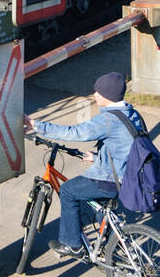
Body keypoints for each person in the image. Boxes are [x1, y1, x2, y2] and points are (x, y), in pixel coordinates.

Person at [24, 72, 145, 259]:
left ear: (109, 96)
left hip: (110, 179)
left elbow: (74, 133)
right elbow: (126, 148)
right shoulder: (131, 113)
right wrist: (98, 157)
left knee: (68, 191)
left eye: (98, 92)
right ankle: (116, 242)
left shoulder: (109, 119)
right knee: (101, 208)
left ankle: (72, 245)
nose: (94, 95)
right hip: (129, 176)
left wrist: (36, 125)